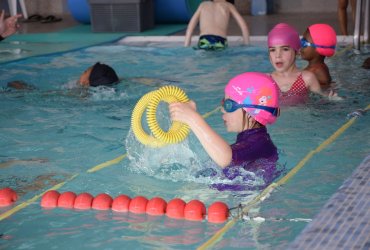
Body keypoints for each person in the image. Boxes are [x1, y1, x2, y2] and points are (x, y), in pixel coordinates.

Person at [169, 72, 280, 190]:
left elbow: (226, 159)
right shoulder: (255, 141)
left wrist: (193, 118)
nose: (222, 110)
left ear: (249, 111)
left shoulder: (261, 144)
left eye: (228, 105)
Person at [267, 23, 340, 106]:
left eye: (285, 49)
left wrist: (331, 98)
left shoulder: (307, 78)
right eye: (272, 50)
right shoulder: (265, 80)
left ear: (297, 51)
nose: (278, 55)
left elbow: (320, 100)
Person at [184, 0, 250, 50]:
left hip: (204, 40)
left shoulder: (203, 5)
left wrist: (186, 47)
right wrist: (247, 46)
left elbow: (190, 28)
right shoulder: (229, 6)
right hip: (220, 41)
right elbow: (244, 27)